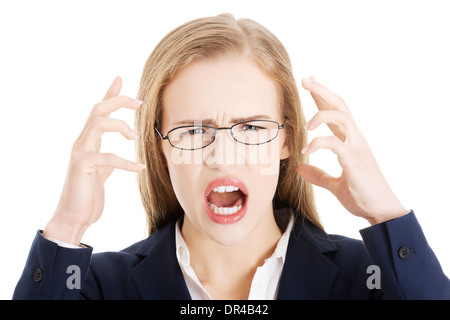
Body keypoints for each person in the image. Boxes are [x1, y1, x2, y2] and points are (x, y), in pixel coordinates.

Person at [13, 13, 449, 300]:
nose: (222, 157)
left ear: (287, 141)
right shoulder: (98, 286)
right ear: (159, 147)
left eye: (252, 128)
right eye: (193, 130)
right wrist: (67, 229)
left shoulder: (372, 278)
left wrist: (387, 215)